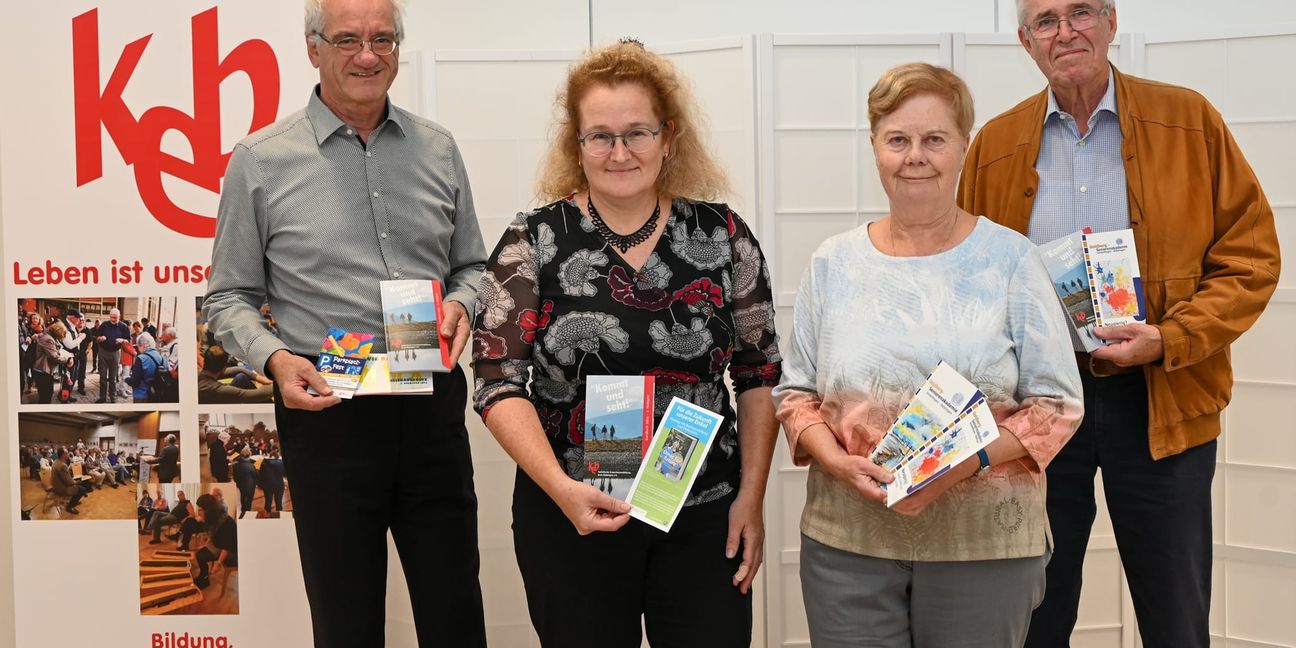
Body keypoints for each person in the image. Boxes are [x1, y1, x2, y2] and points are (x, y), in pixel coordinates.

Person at [957, 3, 1281, 646]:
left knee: (1174, 613)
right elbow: (970, 280)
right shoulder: (994, 145)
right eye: (1045, 21)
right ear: (1025, 42)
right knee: (1034, 613)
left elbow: (1250, 258)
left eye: (1080, 12)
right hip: (1041, 409)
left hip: (1165, 398)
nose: (1066, 31)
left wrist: (1170, 339)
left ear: (1110, 22)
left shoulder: (1189, 120)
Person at [472, 40, 782, 648]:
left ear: (668, 138)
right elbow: (496, 383)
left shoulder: (721, 234)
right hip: (573, 512)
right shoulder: (531, 240)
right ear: (577, 145)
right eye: (600, 136)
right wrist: (561, 491)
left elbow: (758, 374)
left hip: (703, 509)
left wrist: (751, 496)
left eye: (637, 132)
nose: (620, 152)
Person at [203, 0, 488, 644]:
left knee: (455, 613)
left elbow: (472, 264)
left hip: (430, 402)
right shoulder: (261, 159)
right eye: (348, 39)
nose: (368, 55)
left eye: (383, 39)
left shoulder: (438, 149)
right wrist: (276, 361)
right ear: (312, 49)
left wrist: (462, 302)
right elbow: (228, 297)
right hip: (329, 410)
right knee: (347, 619)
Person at [772, 62, 1083, 648]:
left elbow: (1057, 406)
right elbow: (796, 395)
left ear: (964, 145)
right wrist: (835, 462)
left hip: (984, 545)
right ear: (875, 148)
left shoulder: (1011, 260)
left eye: (934, 138)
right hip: (849, 545)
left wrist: (956, 467)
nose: (916, 155)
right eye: (898, 139)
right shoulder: (832, 263)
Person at [190, 494, 237, 590]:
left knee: (201, 556)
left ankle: (205, 579)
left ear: (209, 510)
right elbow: (213, 534)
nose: (199, 512)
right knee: (199, 554)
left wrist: (218, 563)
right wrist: (205, 545)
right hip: (220, 544)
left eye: (201, 510)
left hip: (230, 551)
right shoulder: (214, 518)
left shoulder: (227, 523)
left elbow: (227, 547)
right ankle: (204, 575)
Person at [198, 345, 274, 404]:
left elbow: (238, 369)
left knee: (241, 377)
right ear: (224, 368)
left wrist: (258, 377)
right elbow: (255, 394)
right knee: (264, 395)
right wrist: (278, 384)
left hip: (211, 398)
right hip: (221, 404)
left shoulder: (201, 373)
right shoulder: (216, 389)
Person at [94, 308, 131, 404]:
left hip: (115, 353)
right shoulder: (104, 325)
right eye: (111, 317)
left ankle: (113, 397)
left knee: (113, 378)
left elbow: (128, 340)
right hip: (103, 352)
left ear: (119, 317)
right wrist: (100, 338)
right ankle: (102, 397)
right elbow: (96, 338)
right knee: (102, 377)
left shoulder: (124, 326)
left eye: (115, 318)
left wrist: (122, 340)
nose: (113, 319)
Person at [31, 321, 73, 404]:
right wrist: (67, 359)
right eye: (62, 335)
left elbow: (58, 349)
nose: (62, 337)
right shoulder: (48, 339)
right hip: (42, 371)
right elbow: (54, 357)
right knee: (46, 397)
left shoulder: (50, 337)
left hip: (43, 371)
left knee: (46, 395)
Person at [125, 332, 169, 403]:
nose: (138, 349)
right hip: (157, 394)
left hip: (141, 396)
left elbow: (134, 382)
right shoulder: (160, 356)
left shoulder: (141, 358)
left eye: (138, 346)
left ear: (142, 346)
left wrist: (126, 378)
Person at [50, 449, 90, 515]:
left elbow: (64, 476)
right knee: (82, 489)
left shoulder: (56, 462)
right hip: (61, 488)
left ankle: (74, 501)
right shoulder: (62, 465)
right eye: (67, 453)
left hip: (57, 485)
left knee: (80, 486)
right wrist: (76, 482)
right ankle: (70, 506)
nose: (69, 454)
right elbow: (69, 482)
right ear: (63, 455)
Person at [258, 449, 288, 514]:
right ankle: (279, 516)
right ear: (277, 456)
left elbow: (261, 474)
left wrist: (260, 485)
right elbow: (285, 474)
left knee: (268, 502)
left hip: (268, 485)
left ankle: (267, 516)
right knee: (279, 502)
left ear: (270, 456)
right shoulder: (281, 463)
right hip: (279, 485)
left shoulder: (263, 463)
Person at [232, 447, 257, 519]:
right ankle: (248, 513)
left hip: (240, 485)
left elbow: (235, 477)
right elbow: (255, 475)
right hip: (250, 486)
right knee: (249, 500)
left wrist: (238, 483)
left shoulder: (235, 465)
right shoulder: (251, 465)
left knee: (242, 497)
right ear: (249, 455)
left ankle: (243, 510)